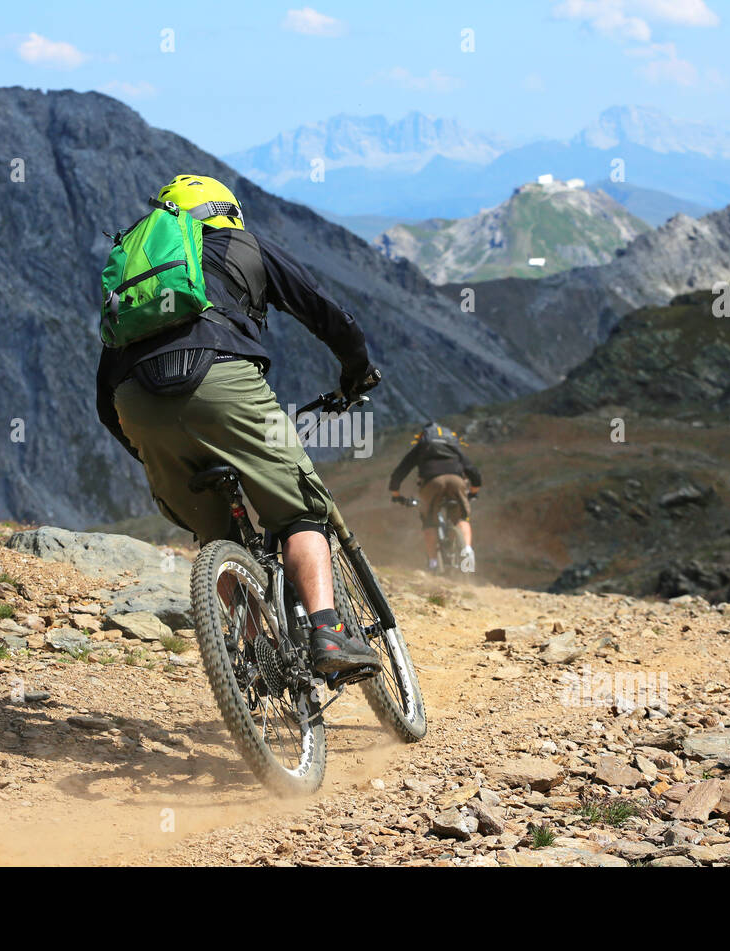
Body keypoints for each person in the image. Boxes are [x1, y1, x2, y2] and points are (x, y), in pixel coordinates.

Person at [96, 174, 381, 675]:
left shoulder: (140, 276)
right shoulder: (241, 244)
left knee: (215, 536)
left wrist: (154, 449)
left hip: (135, 401)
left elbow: (105, 401)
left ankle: (256, 658)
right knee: (299, 515)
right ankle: (328, 634)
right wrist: (356, 372)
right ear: (224, 211)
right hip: (222, 379)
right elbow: (325, 313)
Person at [389, 421, 482, 572]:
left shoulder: (423, 445)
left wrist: (396, 493)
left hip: (432, 482)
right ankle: (467, 551)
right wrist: (474, 491)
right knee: (461, 518)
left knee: (429, 522)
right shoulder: (453, 446)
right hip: (456, 481)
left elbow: (402, 470)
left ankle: (433, 563)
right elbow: (472, 471)